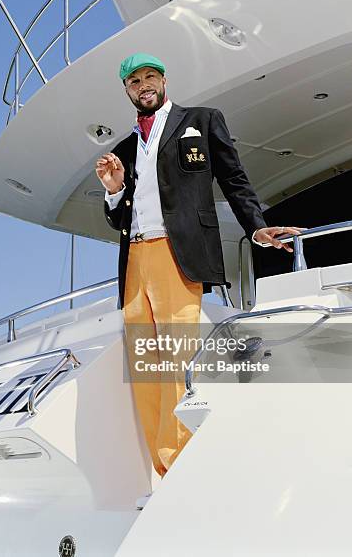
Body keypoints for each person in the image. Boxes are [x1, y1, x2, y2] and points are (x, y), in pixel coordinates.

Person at [95, 52, 302, 489]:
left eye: (150, 76)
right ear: (128, 90)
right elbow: (119, 218)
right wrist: (114, 191)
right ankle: (162, 468)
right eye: (134, 81)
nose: (144, 85)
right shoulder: (124, 149)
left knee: (176, 353)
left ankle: (183, 461)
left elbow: (234, 178)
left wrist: (258, 228)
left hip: (177, 252)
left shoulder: (203, 121)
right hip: (135, 257)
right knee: (145, 364)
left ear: (163, 80)